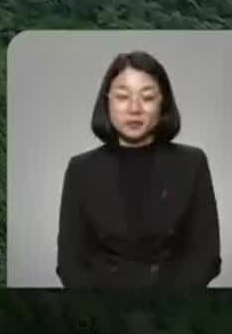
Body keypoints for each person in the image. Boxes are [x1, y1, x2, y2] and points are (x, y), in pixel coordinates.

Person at [56, 51, 221, 288]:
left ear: (163, 102)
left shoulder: (192, 163)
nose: (135, 108)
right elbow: (69, 263)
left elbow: (206, 256)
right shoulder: (81, 169)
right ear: (107, 102)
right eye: (123, 96)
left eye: (147, 97)